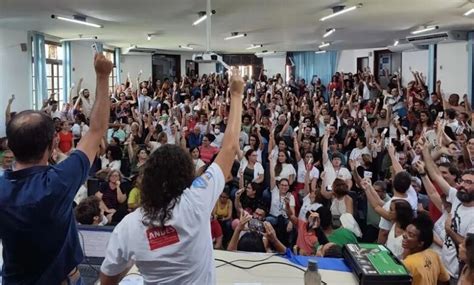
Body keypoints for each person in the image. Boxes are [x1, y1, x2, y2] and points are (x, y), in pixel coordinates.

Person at [99, 70, 244, 284]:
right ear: (186, 175)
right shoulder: (198, 199)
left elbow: (108, 279)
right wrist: (237, 95)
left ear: (147, 180)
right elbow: (230, 147)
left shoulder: (129, 226)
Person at [0, 53, 113, 284]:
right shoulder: (59, 182)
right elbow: (96, 130)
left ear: (9, 145)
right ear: (53, 144)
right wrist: (102, 76)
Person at [422, 142, 474, 283]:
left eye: (469, 183)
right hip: (443, 267)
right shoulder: (457, 197)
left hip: (458, 274)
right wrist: (425, 151)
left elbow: (469, 246)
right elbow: (435, 176)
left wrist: (449, 230)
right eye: (462, 181)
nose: (462, 185)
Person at [402, 214, 450, 285]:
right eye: (405, 231)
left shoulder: (408, 263)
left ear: (420, 243)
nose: (404, 235)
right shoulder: (433, 254)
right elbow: (445, 280)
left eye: (411, 235)